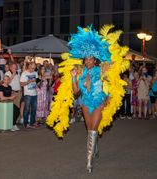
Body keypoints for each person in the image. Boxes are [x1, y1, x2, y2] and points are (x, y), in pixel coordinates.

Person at [47, 25, 130, 173]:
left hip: (98, 102)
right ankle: (95, 149)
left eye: (90, 59)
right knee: (90, 129)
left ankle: (89, 161)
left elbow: (112, 82)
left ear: (94, 60)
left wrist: (109, 98)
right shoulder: (80, 71)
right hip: (86, 102)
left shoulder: (102, 70)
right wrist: (73, 78)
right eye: (86, 59)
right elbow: (76, 91)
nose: (88, 61)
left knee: (93, 129)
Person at [20, 62, 38, 128]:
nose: (33, 69)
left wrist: (39, 81)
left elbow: (37, 82)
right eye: (32, 68)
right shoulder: (24, 73)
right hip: (27, 94)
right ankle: (25, 123)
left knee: (34, 109)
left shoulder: (35, 73)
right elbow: (21, 84)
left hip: (35, 93)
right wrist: (29, 81)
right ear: (29, 66)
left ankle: (32, 123)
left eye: (34, 68)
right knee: (26, 109)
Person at [5, 63, 21, 131]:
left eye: (16, 67)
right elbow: (7, 83)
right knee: (13, 110)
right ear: (10, 68)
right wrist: (13, 74)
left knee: (17, 110)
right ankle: (11, 124)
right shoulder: (7, 73)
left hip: (18, 93)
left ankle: (14, 124)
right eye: (13, 67)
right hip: (12, 93)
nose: (15, 68)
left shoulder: (18, 73)